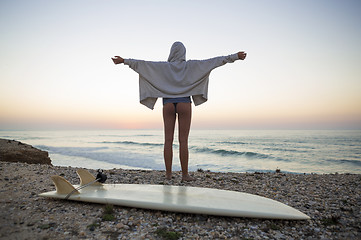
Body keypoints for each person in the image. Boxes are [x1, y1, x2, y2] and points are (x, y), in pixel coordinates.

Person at [112, 42, 246, 181]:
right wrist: (235, 56)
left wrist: (124, 61)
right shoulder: (191, 65)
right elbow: (215, 61)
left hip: (168, 104)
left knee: (168, 141)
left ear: (171, 52)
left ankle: (169, 175)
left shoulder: (164, 67)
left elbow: (143, 64)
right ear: (183, 52)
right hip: (184, 103)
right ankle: (185, 175)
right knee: (183, 141)